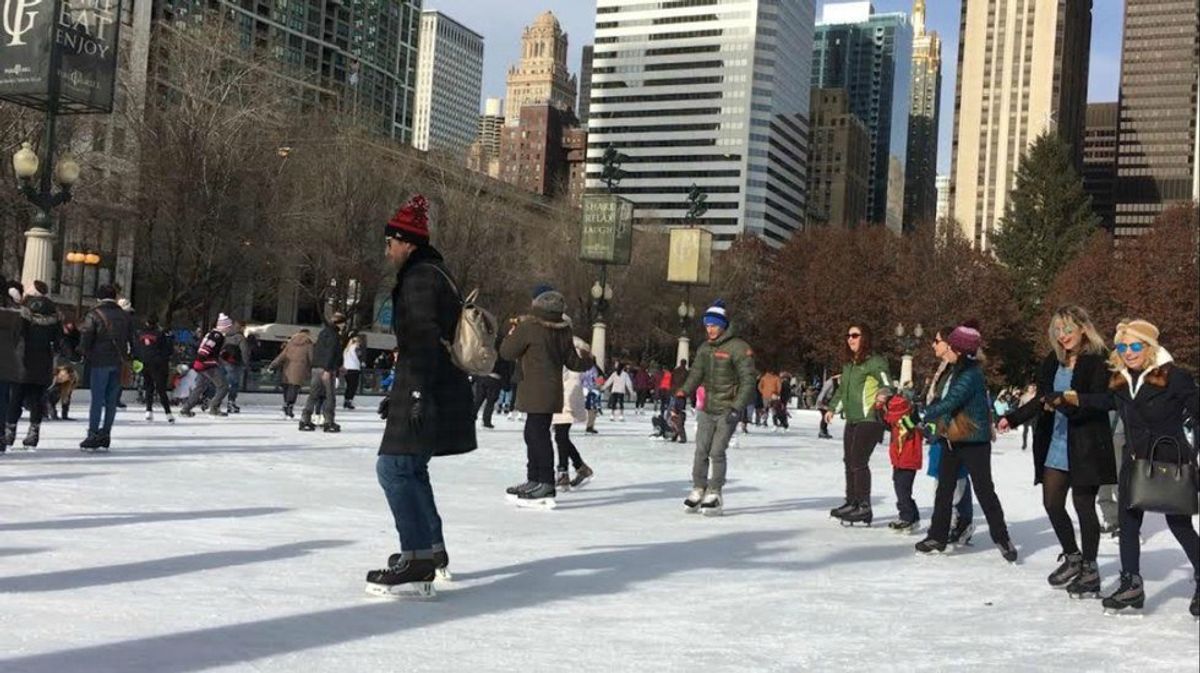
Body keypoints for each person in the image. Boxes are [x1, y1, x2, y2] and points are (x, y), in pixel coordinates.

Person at [366, 194, 476, 595]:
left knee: (393, 469)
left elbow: (424, 340)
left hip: (426, 390)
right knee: (410, 469)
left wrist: (411, 393)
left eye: (391, 242)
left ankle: (415, 557)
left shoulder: (418, 278)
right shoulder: (435, 272)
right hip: (434, 389)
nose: (388, 250)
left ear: (407, 242)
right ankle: (430, 549)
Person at [1060, 319, 1198, 617]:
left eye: (1135, 346)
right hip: (1135, 462)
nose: (1128, 352)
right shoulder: (1121, 380)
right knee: (1128, 522)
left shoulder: (1174, 377)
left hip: (1169, 463)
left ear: (1149, 347)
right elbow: (1108, 401)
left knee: (1179, 524)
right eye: (1122, 347)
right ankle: (1131, 585)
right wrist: (1076, 399)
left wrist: (1193, 452)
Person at [999, 306, 1116, 597]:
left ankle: (1090, 569)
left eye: (1068, 329)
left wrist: (1067, 401)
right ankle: (1072, 555)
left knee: (1083, 507)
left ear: (1083, 328)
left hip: (1086, 443)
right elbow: (1042, 399)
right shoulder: (1054, 361)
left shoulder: (1097, 359)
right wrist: (1013, 418)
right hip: (1057, 440)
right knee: (1052, 502)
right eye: (1058, 331)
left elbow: (1104, 400)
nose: (1062, 336)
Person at [915, 321, 1017, 563]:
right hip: (952, 439)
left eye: (949, 346)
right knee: (944, 489)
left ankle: (1002, 538)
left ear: (958, 350)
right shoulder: (953, 370)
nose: (946, 350)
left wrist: (921, 414)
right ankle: (937, 536)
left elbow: (951, 401)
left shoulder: (970, 374)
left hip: (973, 441)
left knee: (984, 490)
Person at [500, 284, 593, 508]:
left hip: (534, 390)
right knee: (534, 433)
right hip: (551, 391)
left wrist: (512, 333)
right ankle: (535, 479)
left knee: (536, 435)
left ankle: (544, 482)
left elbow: (506, 352)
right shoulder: (563, 330)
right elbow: (574, 362)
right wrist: (588, 360)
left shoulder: (528, 326)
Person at [677, 299, 756, 517]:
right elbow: (696, 374)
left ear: (723, 325)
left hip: (727, 409)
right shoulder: (705, 348)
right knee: (700, 450)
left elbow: (749, 380)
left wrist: (737, 406)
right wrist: (683, 391)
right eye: (707, 325)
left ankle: (715, 492)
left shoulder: (739, 348)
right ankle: (698, 488)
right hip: (707, 408)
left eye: (713, 325)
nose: (709, 329)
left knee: (716, 451)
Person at [824, 325, 892, 524]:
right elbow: (842, 391)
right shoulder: (849, 364)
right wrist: (831, 408)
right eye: (848, 336)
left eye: (855, 335)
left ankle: (864, 505)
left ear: (865, 338)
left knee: (858, 461)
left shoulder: (875, 362)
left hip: (869, 419)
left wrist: (882, 396)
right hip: (853, 419)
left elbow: (888, 384)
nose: (850, 339)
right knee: (849, 461)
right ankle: (852, 501)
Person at [925, 327, 976, 546]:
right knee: (941, 475)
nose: (933, 344)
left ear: (948, 343)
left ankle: (958, 521)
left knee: (954, 478)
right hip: (940, 429)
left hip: (955, 430)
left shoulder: (960, 368)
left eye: (936, 340)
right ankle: (950, 521)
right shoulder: (944, 367)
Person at [3, 282, 60, 450]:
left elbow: (16, 335)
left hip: (22, 361)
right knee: (36, 399)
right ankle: (33, 433)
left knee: (15, 398)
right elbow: (58, 340)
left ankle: (9, 432)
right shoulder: (54, 312)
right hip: (43, 362)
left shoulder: (23, 311)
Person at [78, 284, 134, 450]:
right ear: (115, 297)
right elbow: (132, 339)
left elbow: (86, 337)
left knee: (97, 399)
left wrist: (83, 353)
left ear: (99, 297)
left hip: (99, 361)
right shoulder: (125, 316)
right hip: (119, 362)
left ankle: (93, 433)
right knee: (111, 400)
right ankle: (106, 434)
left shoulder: (94, 314)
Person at [553, 333, 594, 491]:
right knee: (560, 436)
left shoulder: (573, 348)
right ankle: (580, 467)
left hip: (567, 398)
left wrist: (568, 403)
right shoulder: (561, 345)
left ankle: (563, 473)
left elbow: (574, 379)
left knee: (561, 435)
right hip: (560, 396)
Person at [179, 313, 234, 418]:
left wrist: (223, 355)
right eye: (229, 326)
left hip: (201, 364)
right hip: (208, 365)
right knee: (223, 386)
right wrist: (203, 359)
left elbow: (212, 349)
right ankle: (214, 408)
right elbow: (206, 349)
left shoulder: (212, 334)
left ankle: (185, 409)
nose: (230, 328)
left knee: (200, 387)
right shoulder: (217, 336)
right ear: (224, 327)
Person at [299, 312, 345, 433]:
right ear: (339, 323)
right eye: (343, 324)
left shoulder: (323, 332)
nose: (344, 326)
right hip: (326, 369)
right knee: (330, 396)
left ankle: (305, 419)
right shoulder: (334, 335)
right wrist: (328, 369)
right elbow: (331, 353)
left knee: (313, 395)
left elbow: (319, 351)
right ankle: (328, 421)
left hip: (316, 367)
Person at [136, 315, 175, 424]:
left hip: (145, 363)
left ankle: (148, 411)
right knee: (161, 389)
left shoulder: (140, 334)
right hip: (158, 364)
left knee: (149, 387)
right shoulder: (160, 334)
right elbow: (168, 350)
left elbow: (137, 348)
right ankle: (168, 413)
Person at [268, 329, 314, 418]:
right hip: (300, 370)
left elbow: (282, 356)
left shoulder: (290, 343)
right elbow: (311, 358)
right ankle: (290, 405)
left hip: (287, 369)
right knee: (294, 388)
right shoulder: (309, 344)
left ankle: (286, 403)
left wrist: (273, 365)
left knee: (287, 387)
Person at [221, 320, 251, 414]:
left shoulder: (226, 336)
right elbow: (244, 352)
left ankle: (213, 400)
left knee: (221, 384)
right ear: (242, 327)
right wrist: (246, 363)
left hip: (223, 362)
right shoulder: (240, 338)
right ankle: (231, 402)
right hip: (235, 363)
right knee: (234, 384)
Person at [343, 334, 366, 410]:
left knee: (348, 386)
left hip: (346, 368)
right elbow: (360, 356)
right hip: (354, 368)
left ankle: (346, 400)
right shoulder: (356, 348)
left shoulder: (346, 349)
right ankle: (349, 401)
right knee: (353, 386)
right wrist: (362, 362)